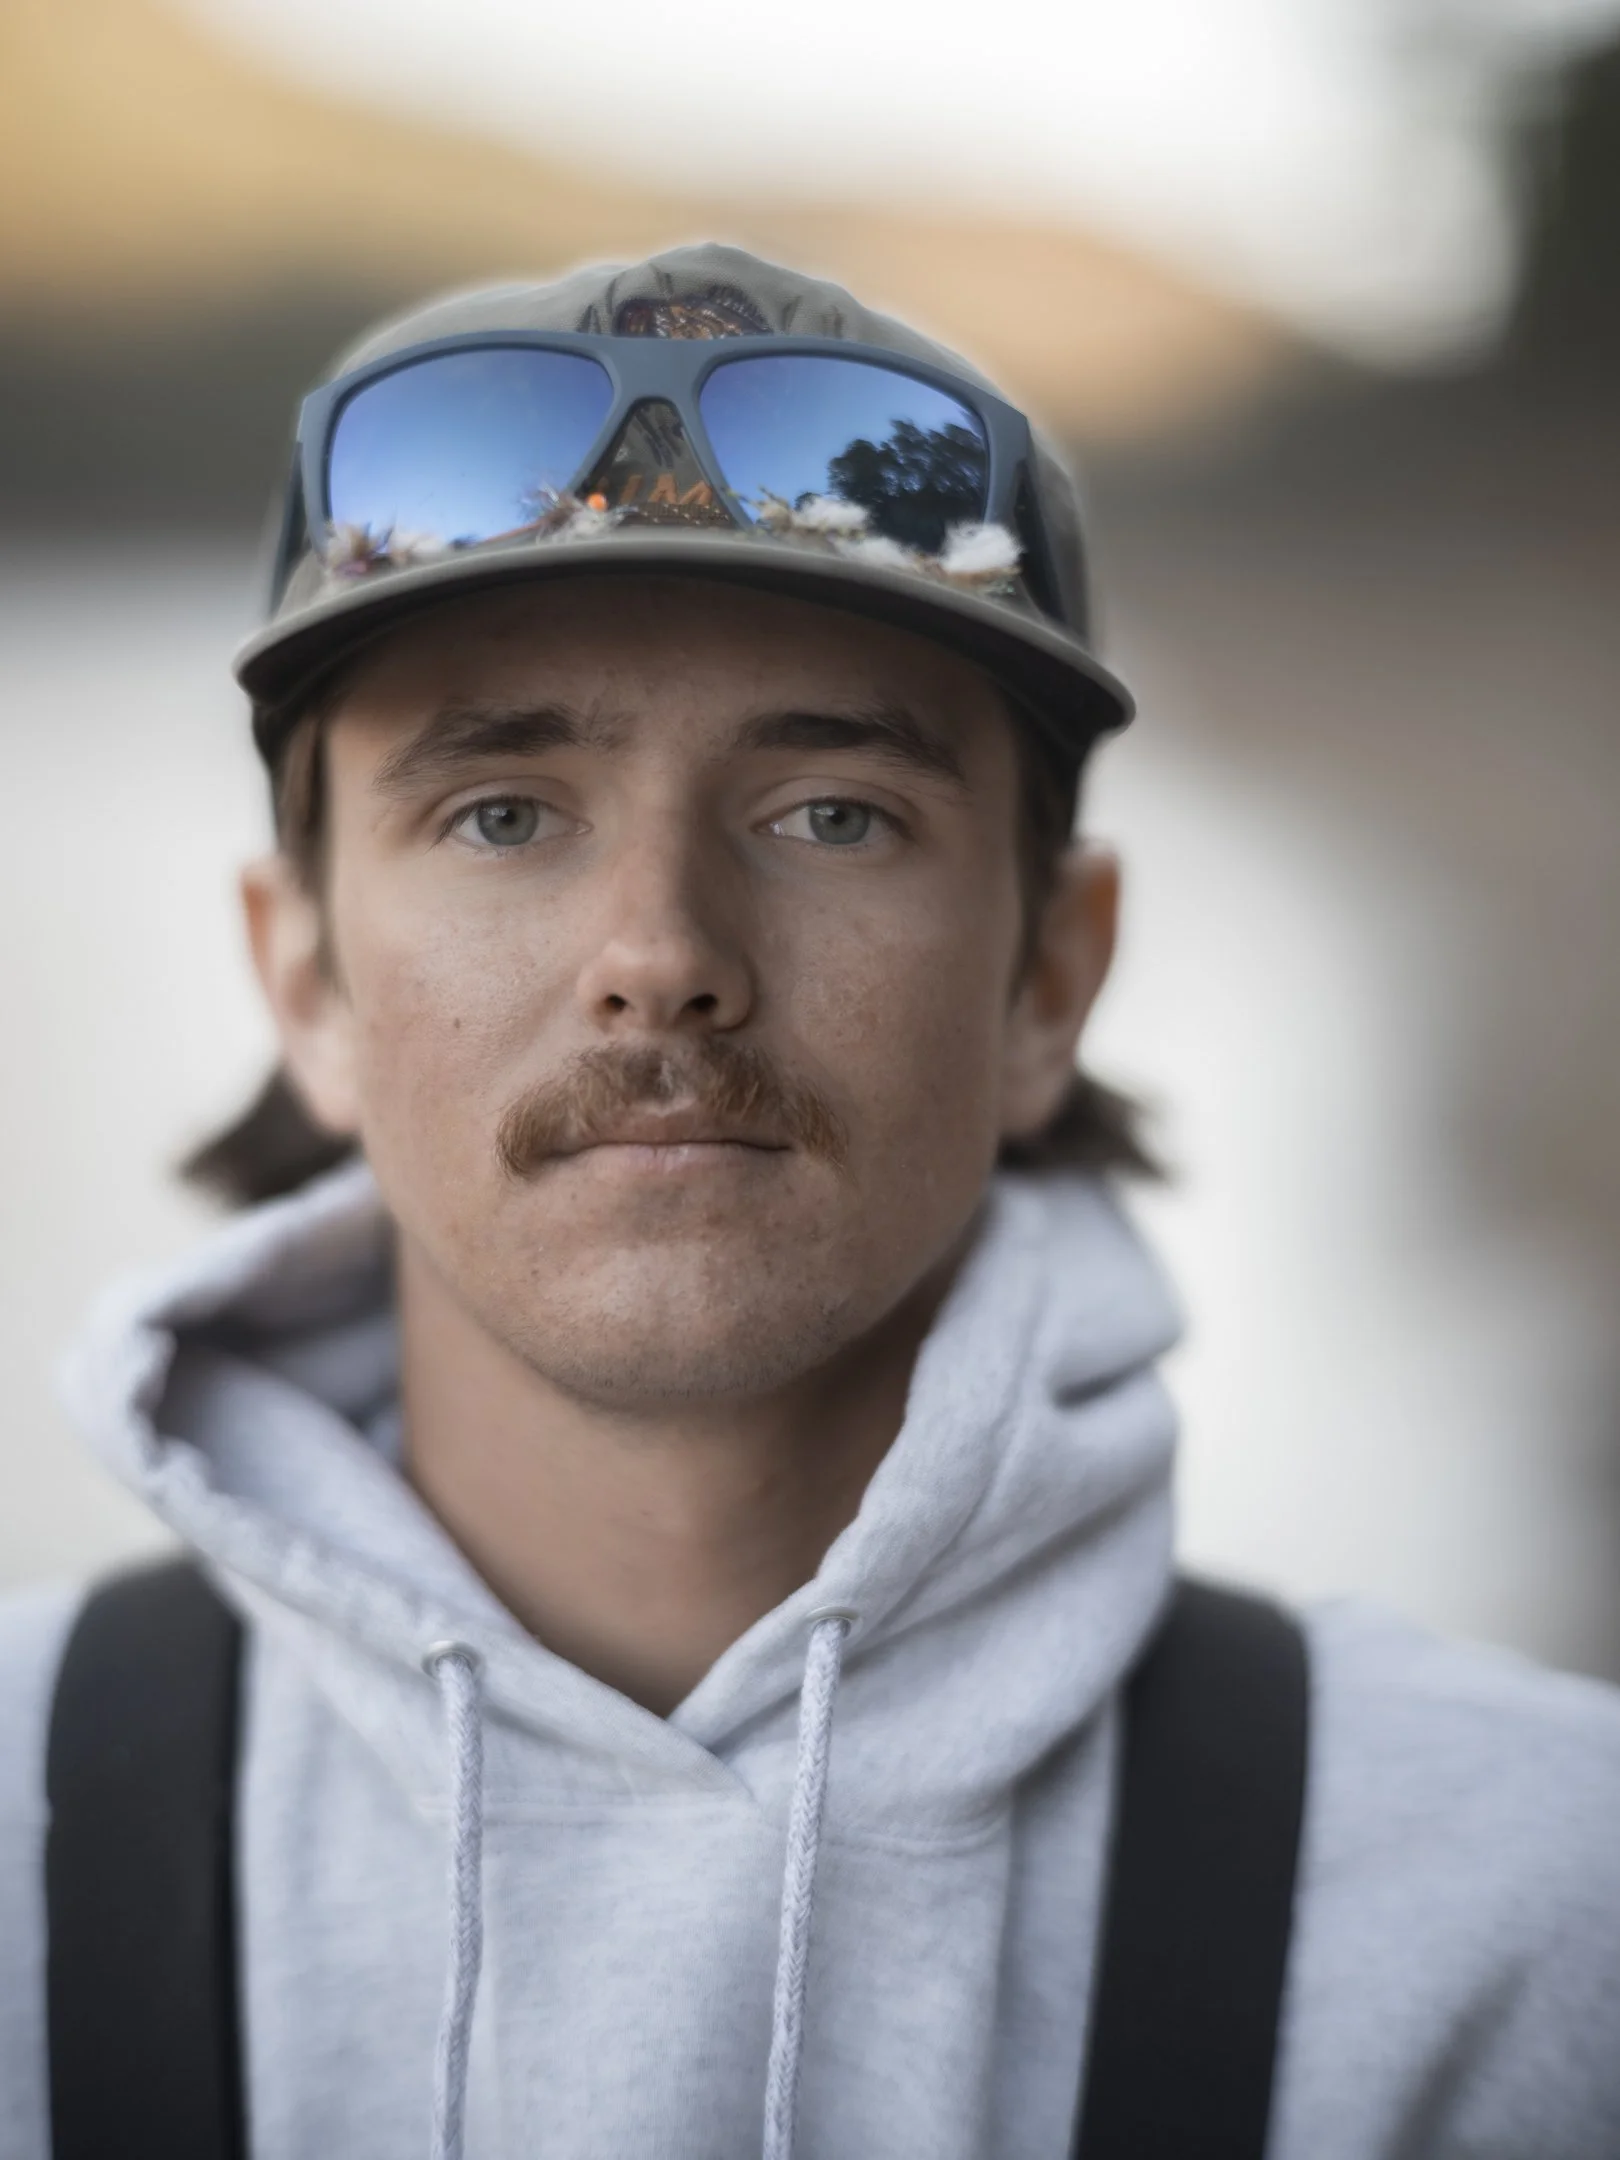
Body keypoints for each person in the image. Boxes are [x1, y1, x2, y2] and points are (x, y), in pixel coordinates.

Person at [3, 243, 1618, 2160]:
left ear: (1050, 979)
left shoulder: (1536, 1908)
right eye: (504, 812)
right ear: (304, 986)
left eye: (832, 814)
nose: (661, 956)